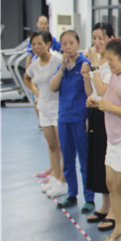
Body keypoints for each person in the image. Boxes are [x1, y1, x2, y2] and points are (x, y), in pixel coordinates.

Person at [87, 38, 121, 241]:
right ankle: (119, 227)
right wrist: (96, 102)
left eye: (111, 59)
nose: (109, 63)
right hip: (113, 139)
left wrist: (109, 107)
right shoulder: (116, 76)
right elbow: (105, 94)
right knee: (111, 184)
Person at [49, 30, 95, 213]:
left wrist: (89, 117)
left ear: (78, 44)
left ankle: (89, 198)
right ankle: (71, 194)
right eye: (64, 44)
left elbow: (91, 92)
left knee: (84, 160)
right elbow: (53, 87)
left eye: (71, 43)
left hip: (80, 118)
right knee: (67, 159)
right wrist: (62, 68)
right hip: (64, 118)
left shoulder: (85, 64)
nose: (67, 47)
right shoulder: (63, 66)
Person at [23, 30, 67, 196]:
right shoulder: (34, 64)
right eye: (33, 44)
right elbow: (27, 77)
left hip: (58, 108)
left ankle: (63, 180)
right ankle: (54, 177)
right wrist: (34, 90)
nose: (36, 47)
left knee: (62, 147)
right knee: (51, 145)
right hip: (44, 109)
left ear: (48, 44)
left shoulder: (57, 60)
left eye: (39, 43)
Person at [81, 23, 115, 228]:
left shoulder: (111, 63)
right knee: (96, 160)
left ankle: (113, 211)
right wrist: (86, 77)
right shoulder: (95, 62)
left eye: (101, 38)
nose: (97, 42)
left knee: (107, 162)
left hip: (108, 114)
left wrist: (93, 67)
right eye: (94, 38)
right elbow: (91, 92)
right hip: (94, 112)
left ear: (111, 38)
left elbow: (104, 92)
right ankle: (104, 205)